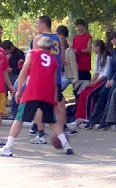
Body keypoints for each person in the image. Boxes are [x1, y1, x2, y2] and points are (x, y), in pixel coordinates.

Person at [0, 36, 73, 157]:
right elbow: (53, 82)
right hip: (47, 92)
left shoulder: (32, 54)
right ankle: (66, 145)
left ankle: (8, 147)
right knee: (51, 120)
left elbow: (23, 73)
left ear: (39, 45)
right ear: (50, 48)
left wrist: (19, 90)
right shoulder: (53, 60)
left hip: (33, 91)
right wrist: (54, 99)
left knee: (19, 118)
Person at [29, 15, 66, 143]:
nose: (37, 26)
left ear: (43, 24)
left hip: (43, 77)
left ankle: (40, 134)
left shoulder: (38, 39)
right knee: (58, 105)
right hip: (56, 76)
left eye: (38, 24)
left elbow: (34, 59)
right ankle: (60, 134)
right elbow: (62, 58)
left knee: (39, 106)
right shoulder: (59, 39)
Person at [71, 39, 110, 127]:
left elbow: (105, 74)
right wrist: (90, 82)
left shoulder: (107, 57)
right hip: (97, 78)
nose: (93, 49)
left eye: (94, 47)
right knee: (83, 92)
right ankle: (79, 116)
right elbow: (96, 72)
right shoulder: (97, 57)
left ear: (98, 47)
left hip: (103, 80)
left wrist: (94, 83)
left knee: (89, 94)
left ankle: (88, 116)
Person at [2, 39, 25, 119]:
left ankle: (14, 113)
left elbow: (22, 68)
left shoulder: (19, 54)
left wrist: (12, 69)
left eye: (6, 51)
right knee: (2, 90)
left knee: (15, 92)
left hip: (16, 75)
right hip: (6, 75)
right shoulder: (4, 55)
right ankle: (1, 111)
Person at [57, 25, 78, 92]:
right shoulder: (57, 47)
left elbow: (73, 65)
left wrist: (75, 78)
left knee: (57, 92)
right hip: (60, 74)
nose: (60, 40)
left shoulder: (69, 50)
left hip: (66, 76)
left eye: (62, 38)